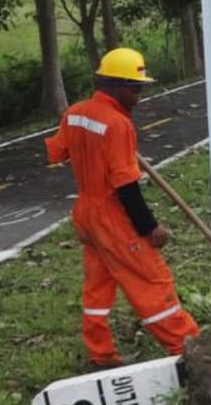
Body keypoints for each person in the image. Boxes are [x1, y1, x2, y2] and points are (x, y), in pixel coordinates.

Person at [45, 47, 199, 370]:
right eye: (135, 88)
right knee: (151, 280)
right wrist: (149, 227)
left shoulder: (74, 113)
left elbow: (57, 153)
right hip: (111, 217)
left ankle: (100, 354)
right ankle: (186, 346)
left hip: (86, 213)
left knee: (97, 287)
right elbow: (126, 187)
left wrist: (92, 150)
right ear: (114, 85)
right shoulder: (117, 124)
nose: (139, 96)